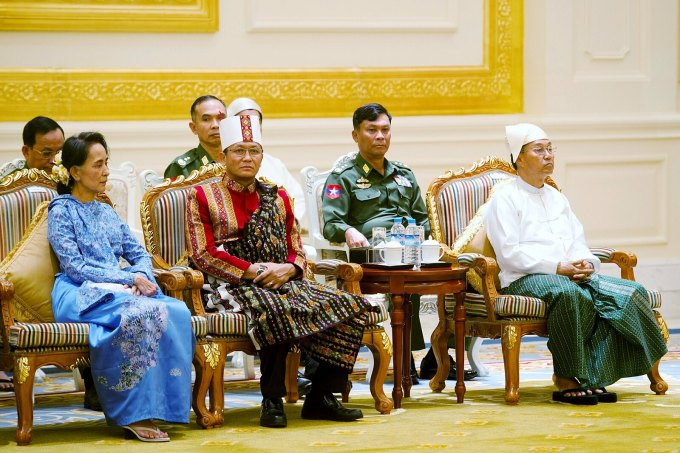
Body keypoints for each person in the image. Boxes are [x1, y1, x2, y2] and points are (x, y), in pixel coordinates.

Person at [186, 115, 373, 428]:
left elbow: (297, 249)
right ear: (223, 156)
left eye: (254, 151)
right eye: (239, 151)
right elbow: (203, 254)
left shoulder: (279, 196)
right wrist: (255, 270)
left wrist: (288, 268)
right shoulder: (203, 196)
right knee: (276, 309)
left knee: (350, 305)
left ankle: (321, 396)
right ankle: (271, 399)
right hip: (229, 285)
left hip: (283, 279)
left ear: (262, 156)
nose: (247, 158)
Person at [485, 123, 668, 405]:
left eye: (550, 149)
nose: (548, 155)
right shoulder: (504, 199)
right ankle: (566, 377)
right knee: (572, 294)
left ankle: (595, 375)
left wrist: (586, 263)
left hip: (569, 273)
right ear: (519, 159)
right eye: (539, 150)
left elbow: (578, 242)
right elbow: (509, 253)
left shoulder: (557, 198)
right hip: (526, 276)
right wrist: (557, 267)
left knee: (629, 293)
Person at [48, 132, 195, 441]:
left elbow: (138, 252)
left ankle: (164, 408)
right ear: (75, 172)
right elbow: (75, 267)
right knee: (140, 315)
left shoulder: (105, 210)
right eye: (97, 165)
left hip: (118, 290)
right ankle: (133, 413)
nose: (105, 172)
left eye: (106, 163)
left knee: (177, 310)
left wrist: (142, 276)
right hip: (79, 291)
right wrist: (129, 279)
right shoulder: (61, 210)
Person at [321, 103, 477, 383]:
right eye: (372, 130)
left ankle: (439, 355)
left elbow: (425, 219)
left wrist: (444, 243)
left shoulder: (404, 174)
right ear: (356, 135)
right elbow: (330, 224)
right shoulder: (342, 177)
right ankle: (404, 361)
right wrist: (348, 231)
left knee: (466, 274)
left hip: (414, 250)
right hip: (374, 256)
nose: (380, 136)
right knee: (405, 279)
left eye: (385, 130)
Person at [226, 97, 306, 227]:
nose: (250, 126)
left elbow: (298, 198)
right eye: (246, 121)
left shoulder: (274, 164)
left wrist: (291, 222)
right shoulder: (221, 164)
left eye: (256, 122)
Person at [164, 95, 226, 179]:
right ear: (194, 128)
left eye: (220, 118)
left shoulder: (241, 160)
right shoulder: (181, 168)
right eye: (206, 119)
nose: (215, 125)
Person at [0, 116, 64, 180]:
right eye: (47, 153)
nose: (54, 161)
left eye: (59, 153)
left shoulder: (70, 172)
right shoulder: (8, 180)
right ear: (26, 151)